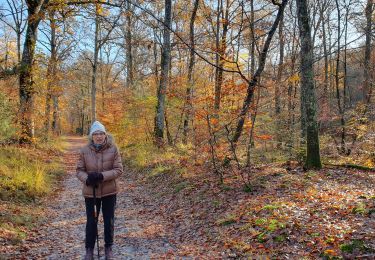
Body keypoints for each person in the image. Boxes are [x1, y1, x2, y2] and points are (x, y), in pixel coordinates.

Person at [76, 121, 123, 260]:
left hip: (109, 191)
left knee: (109, 220)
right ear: (92, 136)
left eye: (101, 133)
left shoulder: (113, 149)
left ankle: (109, 248)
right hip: (92, 193)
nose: (99, 136)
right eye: (95, 134)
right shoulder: (84, 150)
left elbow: (118, 170)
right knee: (91, 221)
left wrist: (102, 176)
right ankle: (89, 250)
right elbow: (79, 171)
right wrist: (87, 179)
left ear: (105, 134)